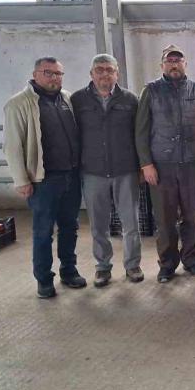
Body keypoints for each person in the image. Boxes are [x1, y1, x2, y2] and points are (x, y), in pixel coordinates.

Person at [3, 57, 86, 298]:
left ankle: (69, 271)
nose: (54, 78)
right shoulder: (19, 104)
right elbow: (12, 146)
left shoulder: (67, 99)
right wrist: (21, 180)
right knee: (43, 231)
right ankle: (44, 279)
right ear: (35, 74)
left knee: (70, 227)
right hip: (43, 180)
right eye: (48, 73)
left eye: (58, 73)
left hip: (71, 175)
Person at [135, 45, 195, 283]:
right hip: (162, 165)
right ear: (162, 66)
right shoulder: (151, 91)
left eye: (178, 60)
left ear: (185, 64)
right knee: (165, 219)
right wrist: (146, 164)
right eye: (169, 61)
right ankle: (167, 264)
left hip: (192, 164)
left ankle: (192, 259)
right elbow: (141, 130)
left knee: (192, 216)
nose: (174, 64)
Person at [71, 54, 143, 287]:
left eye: (109, 70)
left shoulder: (130, 99)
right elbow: (73, 136)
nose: (105, 74)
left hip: (125, 170)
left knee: (130, 223)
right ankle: (102, 267)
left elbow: (139, 135)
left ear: (117, 73)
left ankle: (132, 265)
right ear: (91, 74)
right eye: (99, 69)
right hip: (93, 171)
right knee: (98, 225)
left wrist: (141, 166)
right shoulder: (78, 100)